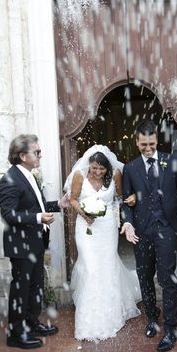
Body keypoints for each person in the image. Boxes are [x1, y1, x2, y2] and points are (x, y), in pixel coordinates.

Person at [120, 120, 177, 352]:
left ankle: (171, 327)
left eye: (151, 143)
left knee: (167, 277)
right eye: (144, 144)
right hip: (141, 231)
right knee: (144, 276)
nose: (148, 148)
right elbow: (127, 201)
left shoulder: (171, 160)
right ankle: (152, 317)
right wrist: (128, 223)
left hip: (166, 228)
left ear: (156, 140)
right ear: (137, 142)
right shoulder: (130, 169)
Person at [0, 134, 67, 349]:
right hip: (21, 245)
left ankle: (31, 322)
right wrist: (38, 218)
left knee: (35, 286)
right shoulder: (9, 179)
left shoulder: (29, 175)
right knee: (21, 288)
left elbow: (37, 205)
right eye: (36, 152)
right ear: (21, 155)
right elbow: (8, 215)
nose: (40, 155)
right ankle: (16, 334)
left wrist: (58, 204)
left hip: (34, 242)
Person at [64, 145, 140, 341]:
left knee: (106, 267)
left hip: (106, 227)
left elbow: (121, 198)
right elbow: (72, 199)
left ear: (108, 168)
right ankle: (89, 316)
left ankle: (111, 312)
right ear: (89, 166)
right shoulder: (80, 175)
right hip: (86, 228)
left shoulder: (115, 175)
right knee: (90, 268)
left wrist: (131, 201)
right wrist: (84, 213)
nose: (98, 172)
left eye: (101, 169)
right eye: (94, 168)